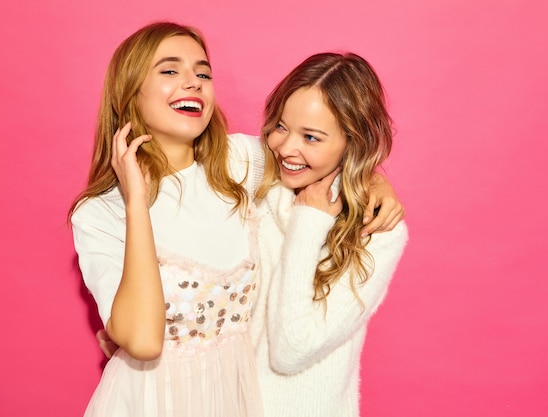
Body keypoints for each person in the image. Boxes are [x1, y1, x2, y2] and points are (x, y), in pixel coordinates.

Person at [72, 22, 403, 417]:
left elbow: (323, 154)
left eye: (203, 73)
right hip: (147, 402)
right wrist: (137, 202)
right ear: (128, 91)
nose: (193, 82)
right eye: (170, 70)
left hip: (235, 398)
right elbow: (144, 340)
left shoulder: (241, 162)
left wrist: (374, 182)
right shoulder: (100, 213)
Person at [249, 52, 408, 417]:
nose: (288, 148)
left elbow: (291, 352)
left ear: (352, 143)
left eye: (311, 137)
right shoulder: (254, 177)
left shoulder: (378, 232)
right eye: (281, 127)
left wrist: (309, 222)